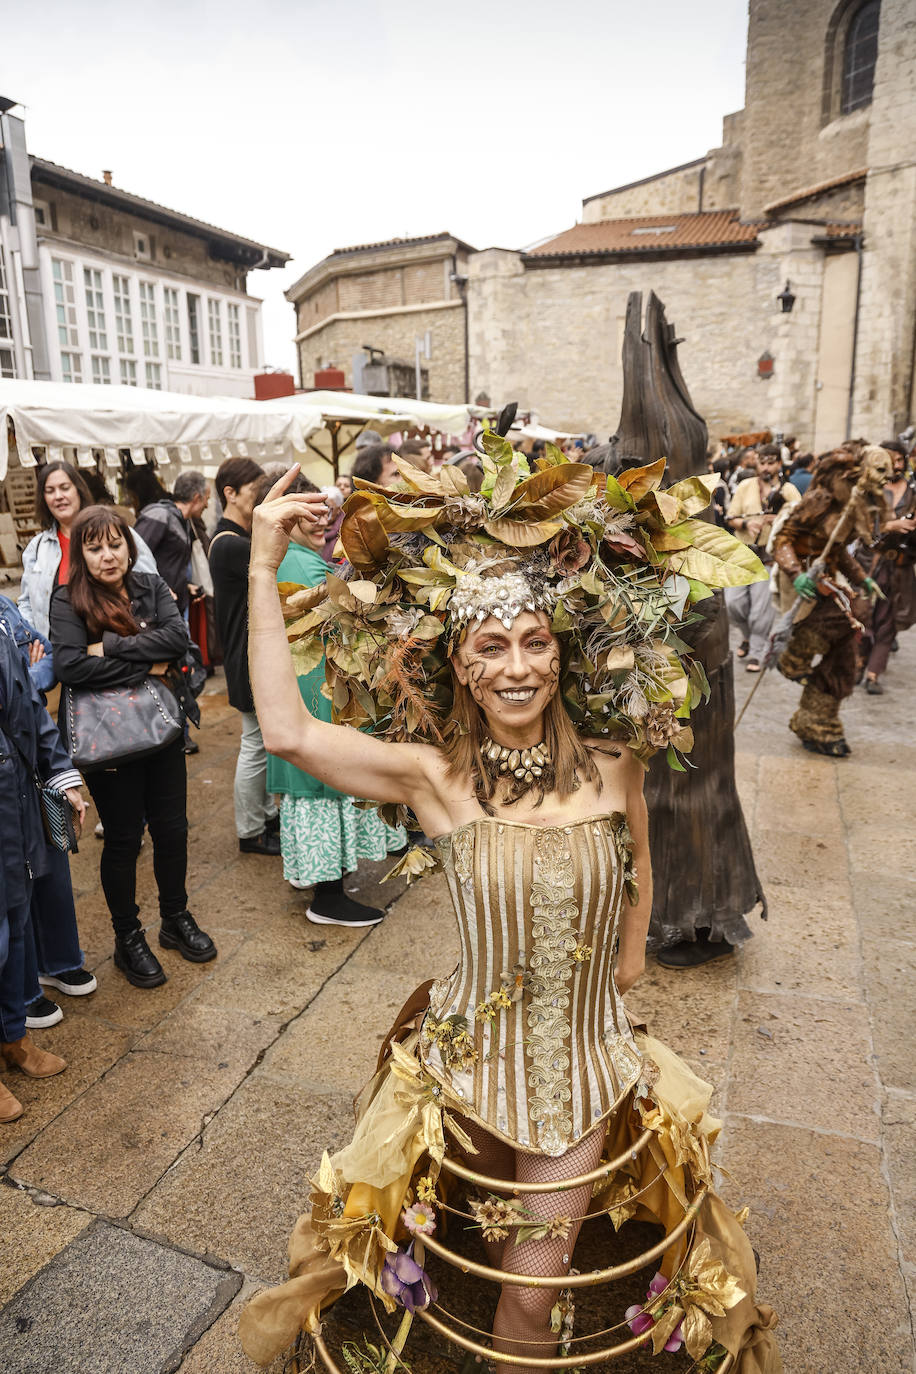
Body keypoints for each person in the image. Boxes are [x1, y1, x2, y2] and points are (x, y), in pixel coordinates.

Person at [238, 457, 780, 1372]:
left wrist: (631, 962)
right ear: (459, 663)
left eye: (535, 641)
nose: (517, 667)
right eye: (491, 647)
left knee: (531, 1298)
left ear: (561, 653)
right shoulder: (435, 777)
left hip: (582, 1073)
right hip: (458, 1070)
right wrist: (261, 565)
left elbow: (642, 860)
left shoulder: (616, 761)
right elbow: (287, 733)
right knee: (473, 1252)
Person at [49, 506, 216, 987]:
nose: (107, 556)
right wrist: (149, 665)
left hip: (162, 728)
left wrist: (112, 649)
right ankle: (128, 937)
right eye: (94, 547)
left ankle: (175, 918)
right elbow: (72, 669)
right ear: (81, 554)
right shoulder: (69, 599)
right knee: (123, 839)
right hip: (108, 741)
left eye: (114, 543)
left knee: (173, 830)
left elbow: (178, 639)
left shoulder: (150, 583)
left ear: (128, 543)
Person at [261, 475, 406, 923]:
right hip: (317, 695)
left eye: (324, 508)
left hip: (305, 691)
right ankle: (327, 896)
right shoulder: (302, 566)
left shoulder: (290, 558)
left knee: (316, 788)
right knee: (324, 786)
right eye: (309, 512)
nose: (322, 518)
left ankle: (323, 885)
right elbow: (349, 620)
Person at [0, 622, 87, 1123]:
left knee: (15, 921)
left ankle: (13, 1037)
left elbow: (30, 704)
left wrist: (61, 777)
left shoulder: (1, 614)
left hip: (13, 800)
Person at [773, 444, 886, 756]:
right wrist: (796, 572)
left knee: (845, 660)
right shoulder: (819, 501)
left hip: (827, 580)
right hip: (805, 583)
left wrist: (861, 578)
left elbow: (838, 555)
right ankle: (792, 657)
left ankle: (818, 723)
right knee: (838, 619)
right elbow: (782, 540)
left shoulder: (853, 507)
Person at [209, 457, 280, 855]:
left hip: (245, 653)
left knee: (259, 742)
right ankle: (250, 829)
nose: (259, 501)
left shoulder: (231, 540)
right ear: (229, 494)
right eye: (255, 493)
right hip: (244, 656)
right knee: (254, 743)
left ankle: (264, 816)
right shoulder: (231, 545)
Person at [19, 461, 157, 638]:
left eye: (64, 487)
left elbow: (150, 587)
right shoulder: (37, 548)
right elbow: (26, 603)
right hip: (58, 654)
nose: (58, 496)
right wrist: (31, 640)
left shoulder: (118, 534)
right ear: (43, 499)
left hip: (118, 649)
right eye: (50, 491)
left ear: (78, 490)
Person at [725, 444, 800, 669]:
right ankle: (747, 636)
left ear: (779, 464)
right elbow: (731, 517)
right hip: (743, 554)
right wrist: (747, 523)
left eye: (771, 462)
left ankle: (757, 652)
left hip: (769, 556)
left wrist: (777, 519)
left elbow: (799, 521)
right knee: (733, 604)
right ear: (757, 463)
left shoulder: (788, 490)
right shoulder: (746, 486)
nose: (766, 467)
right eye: (762, 462)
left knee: (760, 610)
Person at [861, 440, 916, 694]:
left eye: (899, 459)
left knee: (889, 620)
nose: (896, 464)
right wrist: (888, 526)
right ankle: (859, 661)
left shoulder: (912, 491)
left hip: (901, 565)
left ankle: (873, 673)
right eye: (890, 459)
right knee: (864, 616)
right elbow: (858, 526)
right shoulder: (867, 490)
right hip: (869, 562)